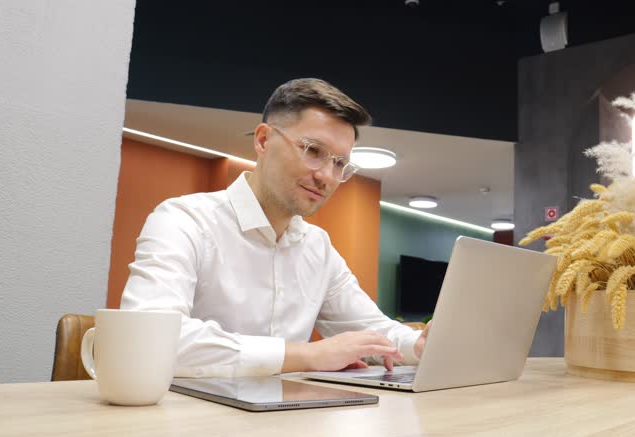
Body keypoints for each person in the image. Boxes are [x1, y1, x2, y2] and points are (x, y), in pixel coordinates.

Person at [121, 78, 429, 377]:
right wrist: (308, 356)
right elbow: (148, 339)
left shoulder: (317, 247)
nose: (327, 176)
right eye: (313, 150)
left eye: (339, 163)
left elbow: (370, 329)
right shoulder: (184, 220)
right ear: (263, 140)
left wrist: (419, 345)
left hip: (289, 419)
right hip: (188, 422)